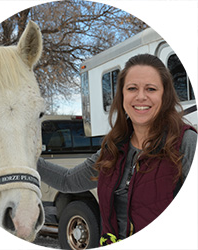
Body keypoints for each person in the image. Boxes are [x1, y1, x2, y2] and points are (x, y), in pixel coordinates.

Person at [37, 54, 197, 245]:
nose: (140, 96)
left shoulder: (185, 143)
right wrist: (25, 157)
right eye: (132, 88)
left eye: (151, 89)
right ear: (121, 96)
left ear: (165, 95)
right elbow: (68, 181)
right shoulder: (113, 149)